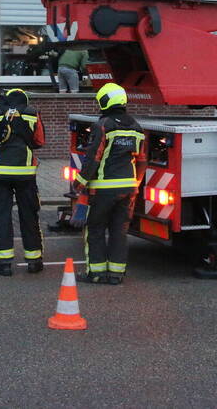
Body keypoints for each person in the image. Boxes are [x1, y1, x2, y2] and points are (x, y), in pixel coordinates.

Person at [72, 82, 145, 285]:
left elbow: (93, 157)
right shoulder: (136, 127)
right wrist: (135, 183)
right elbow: (142, 160)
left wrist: (79, 183)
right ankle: (116, 274)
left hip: (104, 189)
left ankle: (95, 273)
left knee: (94, 229)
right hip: (128, 189)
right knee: (119, 231)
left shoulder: (103, 125)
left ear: (105, 102)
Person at [0, 88, 45, 276]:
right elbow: (39, 141)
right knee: (29, 216)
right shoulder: (32, 113)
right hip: (26, 174)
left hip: (1, 174)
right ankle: (34, 261)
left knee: (1, 216)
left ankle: (5, 263)